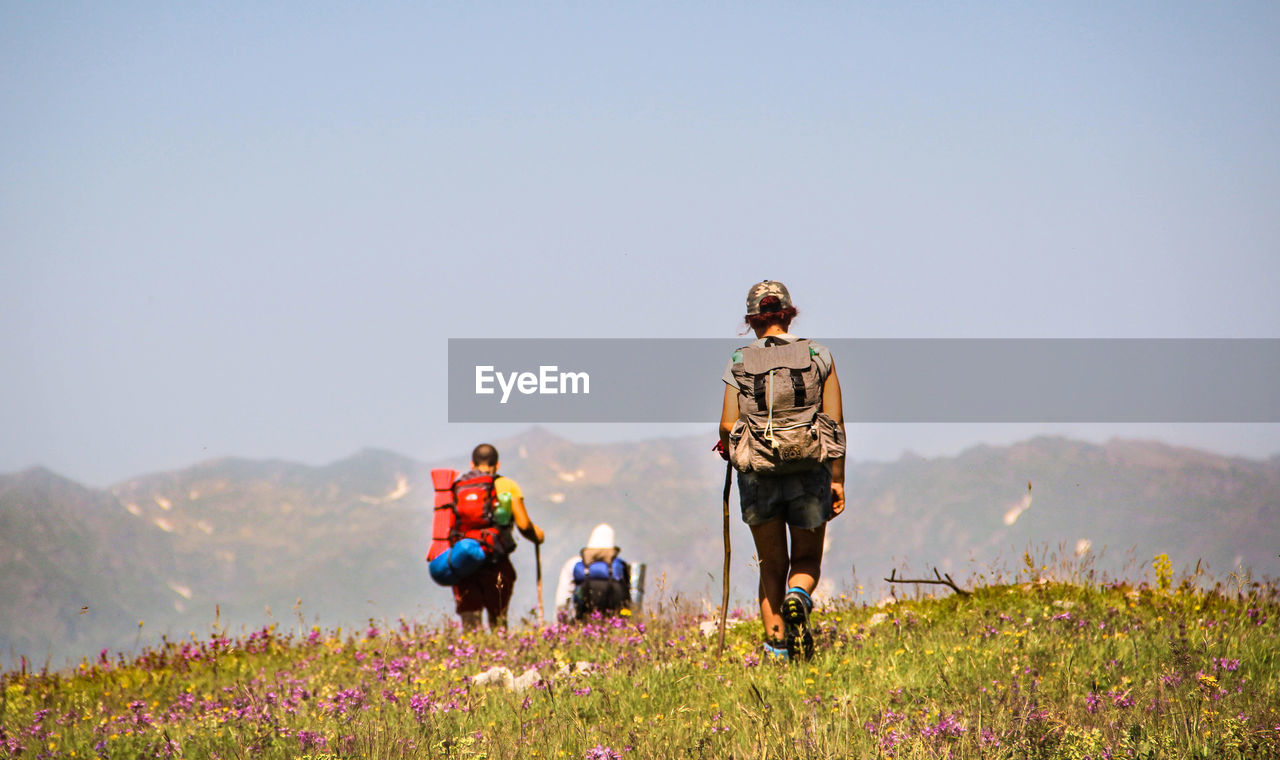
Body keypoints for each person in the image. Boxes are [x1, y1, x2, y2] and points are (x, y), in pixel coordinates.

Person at [718, 281, 846, 660]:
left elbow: (727, 426)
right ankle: (799, 595)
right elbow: (834, 423)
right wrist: (836, 479)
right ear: (790, 314)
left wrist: (734, 452)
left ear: (751, 320)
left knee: (771, 566)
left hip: (758, 475)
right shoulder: (818, 355)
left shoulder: (739, 361)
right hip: (809, 471)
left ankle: (777, 653)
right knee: (805, 560)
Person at [452, 443, 545, 631]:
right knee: (498, 619)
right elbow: (524, 525)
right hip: (495, 559)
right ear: (498, 465)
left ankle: (468, 656)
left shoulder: (458, 487)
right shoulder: (506, 485)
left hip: (464, 561)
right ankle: (498, 653)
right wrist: (538, 536)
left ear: (472, 464)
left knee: (470, 623)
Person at [568, 523, 631, 619]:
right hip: (615, 622)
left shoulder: (575, 564)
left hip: (583, 621)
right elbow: (629, 596)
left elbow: (562, 600)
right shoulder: (620, 566)